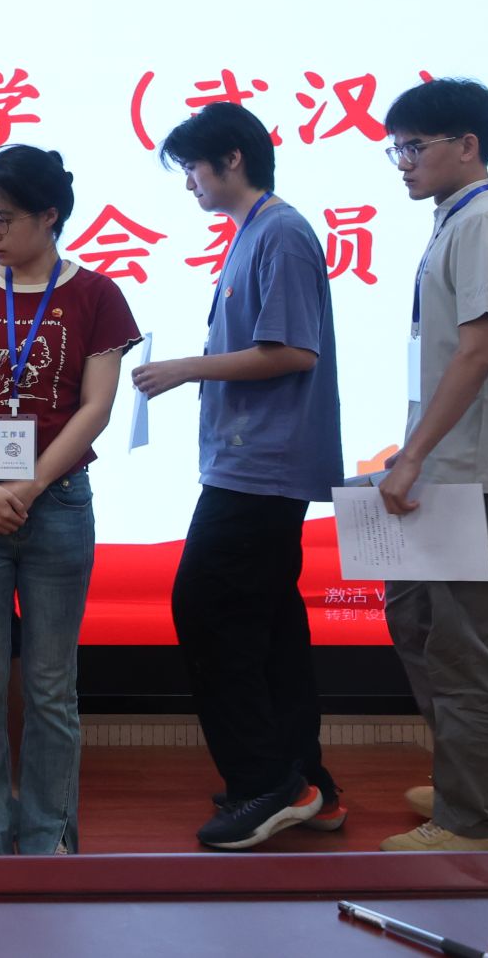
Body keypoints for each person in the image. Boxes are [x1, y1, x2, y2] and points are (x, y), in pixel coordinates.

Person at [135, 102, 345, 849]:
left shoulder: (279, 232)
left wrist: (186, 368)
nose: (189, 181)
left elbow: (293, 351)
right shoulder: (254, 232)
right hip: (252, 463)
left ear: (232, 159)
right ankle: (304, 779)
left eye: (193, 166)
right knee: (268, 625)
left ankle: (266, 783)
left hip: (261, 467)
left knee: (207, 610)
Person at [0, 145, 140, 856]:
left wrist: (29, 485)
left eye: (4, 219)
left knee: (51, 684)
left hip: (58, 502)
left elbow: (95, 408)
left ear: (49, 216)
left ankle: (50, 838)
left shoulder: (97, 295)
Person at [375, 78, 488, 852]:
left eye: (413, 146)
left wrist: (413, 455)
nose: (403, 162)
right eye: (396, 149)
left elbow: (478, 352)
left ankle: (475, 824)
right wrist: (411, 449)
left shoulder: (486, 223)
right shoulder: (456, 221)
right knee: (416, 620)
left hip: (474, 472)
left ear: (467, 145)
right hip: (444, 469)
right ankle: (478, 780)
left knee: (469, 648)